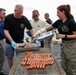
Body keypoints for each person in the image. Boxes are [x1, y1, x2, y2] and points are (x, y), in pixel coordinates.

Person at [34, 4, 76, 75]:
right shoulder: (59, 22)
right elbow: (47, 28)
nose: (57, 14)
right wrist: (38, 33)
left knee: (71, 65)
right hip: (63, 45)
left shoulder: (71, 22)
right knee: (63, 64)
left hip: (71, 46)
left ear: (63, 12)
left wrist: (64, 36)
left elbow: (75, 35)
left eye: (58, 12)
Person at [4, 4, 35, 69]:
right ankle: (11, 70)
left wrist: (35, 37)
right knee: (10, 57)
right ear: (14, 11)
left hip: (20, 42)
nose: (20, 15)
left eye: (21, 13)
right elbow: (6, 31)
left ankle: (20, 70)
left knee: (20, 57)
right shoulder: (8, 18)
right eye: (19, 13)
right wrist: (12, 41)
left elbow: (31, 29)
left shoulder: (24, 19)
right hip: (9, 42)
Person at [0, 8, 6, 75]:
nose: (5, 15)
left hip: (1, 40)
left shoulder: (3, 22)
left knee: (1, 56)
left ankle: (0, 71)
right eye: (3, 13)